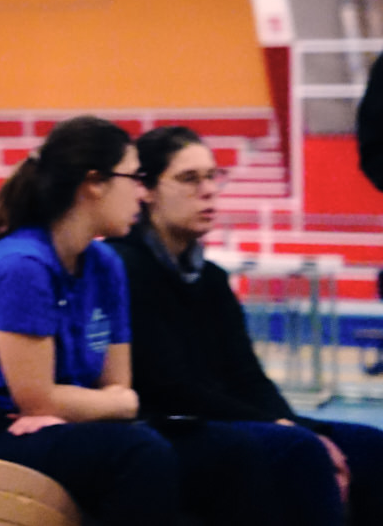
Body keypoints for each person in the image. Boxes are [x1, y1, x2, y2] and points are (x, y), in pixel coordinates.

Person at [111, 124, 383, 525]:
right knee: (299, 450)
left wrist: (292, 423)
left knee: (370, 445)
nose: (208, 190)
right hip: (169, 425)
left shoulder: (211, 278)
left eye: (212, 176)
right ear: (145, 189)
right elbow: (171, 388)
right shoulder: (124, 267)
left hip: (227, 418)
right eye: (189, 178)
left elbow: (248, 375)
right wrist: (285, 430)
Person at [0, 115, 178, 526]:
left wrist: (106, 403)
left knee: (190, 449)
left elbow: (119, 388)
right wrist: (113, 403)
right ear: (94, 183)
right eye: (134, 178)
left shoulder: (106, 266)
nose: (142, 193)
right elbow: (40, 401)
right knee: (139, 455)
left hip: (50, 423)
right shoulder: (23, 265)